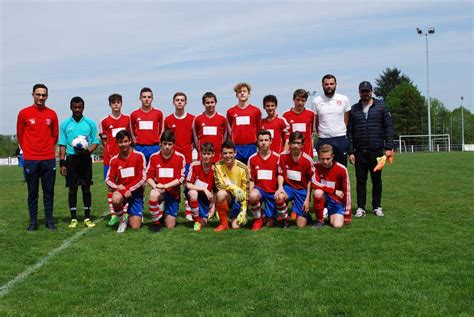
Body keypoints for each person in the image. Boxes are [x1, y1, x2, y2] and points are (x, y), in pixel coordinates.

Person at [347, 81, 394, 217]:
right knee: (361, 181)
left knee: (376, 180)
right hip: (360, 151)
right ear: (359, 92)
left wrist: (389, 147)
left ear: (371, 92)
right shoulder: (354, 109)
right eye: (362, 91)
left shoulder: (381, 107)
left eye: (367, 91)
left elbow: (389, 128)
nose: (365, 94)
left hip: (377, 151)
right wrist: (351, 151)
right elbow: (350, 132)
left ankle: (377, 206)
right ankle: (360, 207)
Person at [17, 84, 59, 231]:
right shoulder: (24, 113)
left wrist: (47, 149)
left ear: (47, 96)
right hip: (31, 159)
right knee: (32, 192)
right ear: (33, 95)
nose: (41, 97)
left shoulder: (52, 114)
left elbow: (55, 135)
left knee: (49, 192)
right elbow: (20, 135)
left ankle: (49, 220)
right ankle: (33, 222)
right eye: (38, 94)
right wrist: (29, 150)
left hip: (48, 158)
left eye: (43, 95)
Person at [59, 96, 100, 228]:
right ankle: (74, 218)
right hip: (71, 159)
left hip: (85, 159)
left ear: (83, 107)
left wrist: (88, 151)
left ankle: (87, 217)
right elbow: (62, 144)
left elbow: (95, 141)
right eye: (75, 107)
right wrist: (62, 163)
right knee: (72, 189)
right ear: (71, 107)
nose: (77, 109)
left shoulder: (90, 123)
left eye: (80, 107)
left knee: (86, 188)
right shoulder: (65, 124)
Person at [105, 130, 147, 233]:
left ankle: (138, 212)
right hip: (122, 192)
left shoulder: (139, 156)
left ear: (130, 141)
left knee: (135, 227)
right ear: (117, 143)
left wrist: (128, 189)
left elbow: (142, 178)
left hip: (136, 193)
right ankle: (122, 220)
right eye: (120, 142)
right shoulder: (114, 160)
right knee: (115, 198)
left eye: (125, 141)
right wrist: (121, 189)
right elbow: (108, 179)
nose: (123, 144)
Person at [99, 93, 131, 226]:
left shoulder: (128, 119)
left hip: (125, 159)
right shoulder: (104, 121)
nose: (116, 104)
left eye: (118, 102)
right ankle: (114, 215)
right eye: (113, 102)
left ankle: (125, 212)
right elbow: (103, 140)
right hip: (110, 160)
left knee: (127, 185)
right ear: (110, 104)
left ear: (121, 103)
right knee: (111, 187)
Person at [164, 92, 195, 222]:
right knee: (172, 184)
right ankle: (169, 209)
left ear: (186, 102)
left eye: (182, 100)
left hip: (187, 156)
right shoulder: (168, 120)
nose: (180, 102)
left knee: (187, 185)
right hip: (173, 159)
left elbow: (195, 137)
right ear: (173, 102)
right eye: (177, 100)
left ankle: (189, 211)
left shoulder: (192, 119)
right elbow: (166, 139)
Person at [146, 130, 186, 232]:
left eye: (170, 144)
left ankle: (164, 212)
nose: (167, 146)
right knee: (153, 194)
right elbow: (148, 176)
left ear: (173, 144)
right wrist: (156, 187)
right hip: (160, 191)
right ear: (161, 143)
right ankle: (156, 223)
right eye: (164, 144)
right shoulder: (154, 157)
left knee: (170, 226)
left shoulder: (180, 157)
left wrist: (165, 186)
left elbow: (181, 178)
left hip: (173, 193)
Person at [274, 131, 314, 228]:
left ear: (302, 145)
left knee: (300, 225)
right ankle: (285, 219)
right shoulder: (283, 156)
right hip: (289, 188)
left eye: (298, 143)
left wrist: (308, 199)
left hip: (301, 190)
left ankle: (306, 215)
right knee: (279, 197)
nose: (295, 146)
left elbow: (310, 181)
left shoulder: (307, 160)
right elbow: (280, 173)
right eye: (293, 143)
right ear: (289, 144)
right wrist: (280, 188)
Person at [312, 74, 351, 166]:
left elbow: (347, 118)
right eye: (326, 84)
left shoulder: (344, 99)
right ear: (322, 85)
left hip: (340, 139)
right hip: (324, 139)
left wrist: (339, 130)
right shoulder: (316, 101)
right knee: (324, 169)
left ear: (335, 84)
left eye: (331, 84)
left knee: (341, 167)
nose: (329, 86)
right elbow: (316, 121)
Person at [312, 144, 351, 228]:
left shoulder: (342, 169)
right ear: (318, 157)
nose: (325, 162)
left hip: (335, 200)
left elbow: (347, 192)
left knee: (337, 225)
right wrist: (333, 190)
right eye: (322, 159)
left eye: (328, 159)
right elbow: (314, 183)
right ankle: (320, 220)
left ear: (332, 156)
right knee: (317, 192)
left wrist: (347, 214)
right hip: (324, 197)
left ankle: (329, 213)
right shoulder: (316, 166)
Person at [214, 140, 249, 232]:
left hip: (239, 199)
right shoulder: (217, 166)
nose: (228, 155)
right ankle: (224, 223)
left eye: (230, 153)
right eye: (225, 153)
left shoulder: (243, 168)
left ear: (235, 153)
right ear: (221, 154)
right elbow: (219, 185)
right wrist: (233, 187)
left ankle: (242, 215)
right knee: (221, 194)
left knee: (236, 226)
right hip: (227, 196)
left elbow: (246, 189)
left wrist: (244, 209)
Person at [248, 130, 280, 230]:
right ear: (257, 142)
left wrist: (279, 190)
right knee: (253, 196)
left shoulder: (277, 158)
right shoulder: (252, 158)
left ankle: (268, 215)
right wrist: (250, 193)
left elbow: (280, 177)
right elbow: (252, 179)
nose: (263, 142)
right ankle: (258, 219)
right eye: (261, 140)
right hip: (260, 190)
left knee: (270, 223)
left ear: (271, 141)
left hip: (272, 192)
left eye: (266, 140)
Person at [226, 82, 261, 164]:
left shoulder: (256, 111)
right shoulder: (230, 111)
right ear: (236, 94)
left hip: (251, 146)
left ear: (248, 94)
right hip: (236, 147)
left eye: (244, 91)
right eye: (239, 91)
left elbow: (259, 129)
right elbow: (229, 130)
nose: (242, 93)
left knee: (250, 173)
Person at [186, 142, 216, 232]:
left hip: (205, 198)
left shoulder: (215, 170)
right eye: (204, 154)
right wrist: (204, 189)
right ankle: (196, 221)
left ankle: (198, 215)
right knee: (193, 193)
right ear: (200, 154)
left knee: (204, 222)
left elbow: (215, 190)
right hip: (194, 193)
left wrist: (213, 206)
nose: (206, 156)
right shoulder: (194, 166)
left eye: (208, 154)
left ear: (213, 154)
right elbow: (188, 184)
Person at [192, 92, 229, 163]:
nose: (210, 105)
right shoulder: (198, 118)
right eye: (207, 103)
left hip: (218, 158)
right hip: (203, 157)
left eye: (212, 102)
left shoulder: (222, 118)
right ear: (203, 104)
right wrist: (200, 151)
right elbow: (195, 138)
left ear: (215, 103)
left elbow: (224, 137)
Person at [130, 87, 164, 163]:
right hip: (140, 147)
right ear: (140, 98)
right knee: (140, 171)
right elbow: (131, 130)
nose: (146, 99)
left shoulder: (158, 113)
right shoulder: (134, 114)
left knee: (154, 171)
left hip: (154, 147)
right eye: (144, 97)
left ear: (152, 98)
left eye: (149, 97)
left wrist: (158, 141)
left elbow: (162, 130)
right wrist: (136, 142)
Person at [282, 89, 316, 157]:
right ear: (293, 99)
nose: (300, 102)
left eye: (303, 100)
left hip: (307, 152)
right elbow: (286, 136)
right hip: (291, 152)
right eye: (298, 100)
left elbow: (312, 131)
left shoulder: (311, 114)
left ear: (306, 101)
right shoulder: (286, 114)